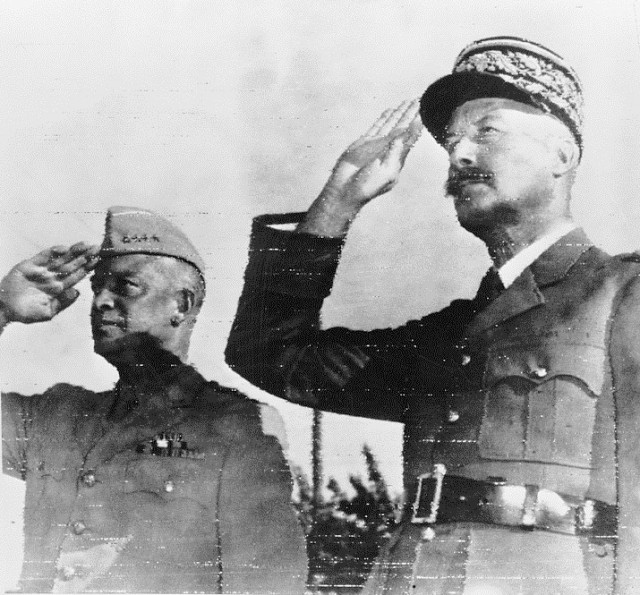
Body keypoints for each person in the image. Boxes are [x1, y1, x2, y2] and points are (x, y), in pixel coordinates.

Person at [225, 37, 640, 594]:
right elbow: (274, 356)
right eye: (452, 141)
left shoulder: (623, 294)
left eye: (486, 131)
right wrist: (336, 206)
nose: (459, 154)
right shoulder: (448, 334)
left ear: (561, 155)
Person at [1, 206, 307, 593]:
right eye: (97, 288)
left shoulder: (237, 423)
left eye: (125, 286)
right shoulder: (56, 413)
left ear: (181, 305)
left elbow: (269, 582)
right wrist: (2, 308)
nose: (100, 303)